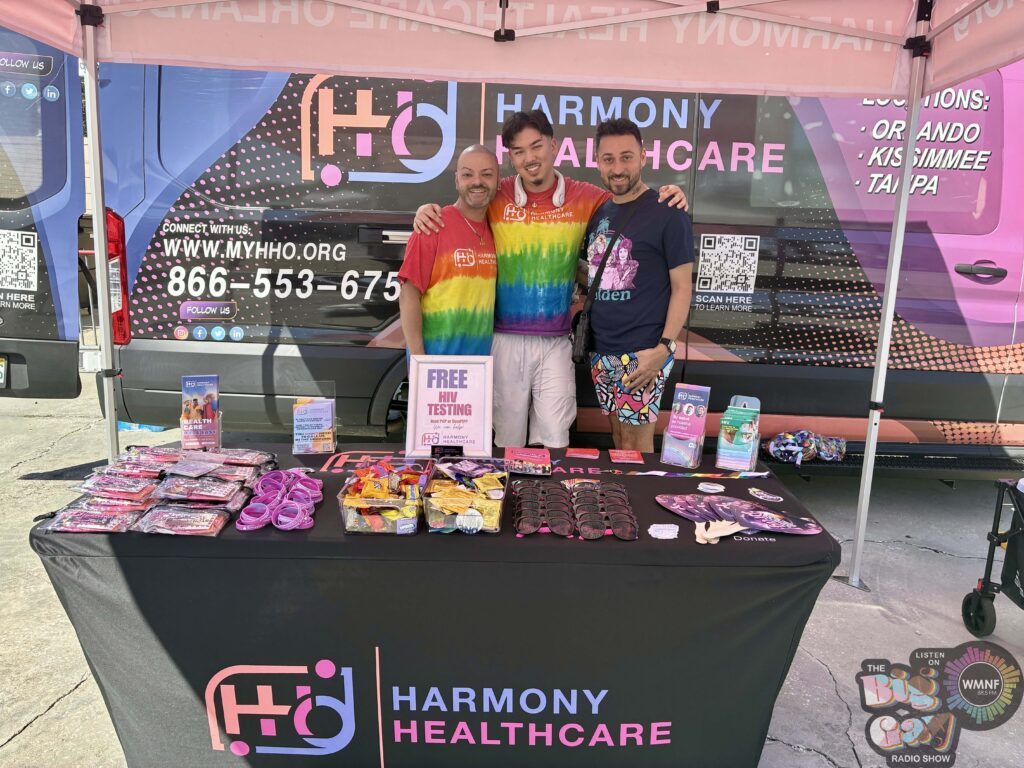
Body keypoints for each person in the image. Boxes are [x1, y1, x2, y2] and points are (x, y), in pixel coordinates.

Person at [414, 110, 688, 448]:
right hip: (504, 339)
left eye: (536, 146)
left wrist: (671, 194)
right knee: (507, 440)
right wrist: (427, 210)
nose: (529, 158)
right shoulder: (496, 193)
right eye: (519, 151)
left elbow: (631, 197)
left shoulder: (588, 196)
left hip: (558, 341)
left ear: (553, 146)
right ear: (511, 158)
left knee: (556, 440)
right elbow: (467, 202)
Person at [582, 118, 694, 453]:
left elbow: (682, 287)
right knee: (618, 439)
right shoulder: (600, 213)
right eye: (609, 159)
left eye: (627, 157)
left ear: (643, 157)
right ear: (597, 161)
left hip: (643, 353)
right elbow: (594, 274)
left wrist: (663, 349)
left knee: (636, 445)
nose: (618, 168)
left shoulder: (668, 211)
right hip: (602, 351)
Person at [398, 145, 499, 356]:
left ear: (498, 182)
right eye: (467, 174)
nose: (477, 181)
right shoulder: (432, 225)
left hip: (480, 366)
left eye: (487, 174)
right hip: (436, 363)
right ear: (457, 180)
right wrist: (419, 360)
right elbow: (408, 295)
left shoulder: (498, 229)